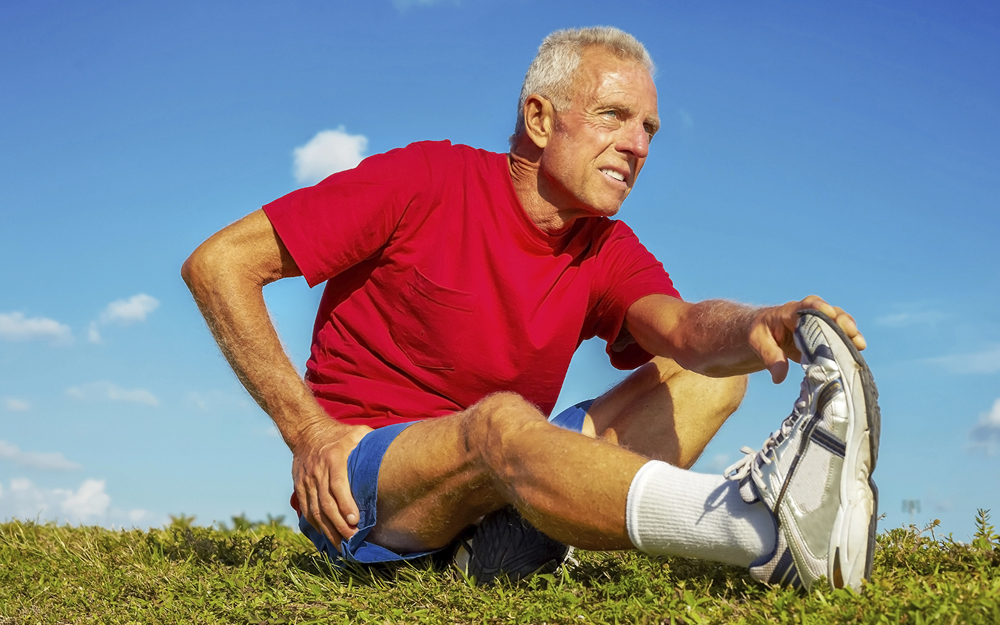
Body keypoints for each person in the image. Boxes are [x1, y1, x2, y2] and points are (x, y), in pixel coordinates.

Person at [182, 26, 879, 591]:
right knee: (500, 422)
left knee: (719, 370)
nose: (636, 145)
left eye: (649, 130)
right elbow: (218, 264)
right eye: (614, 116)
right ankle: (752, 529)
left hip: (493, 481)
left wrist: (763, 324)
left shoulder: (604, 246)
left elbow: (686, 330)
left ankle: (496, 550)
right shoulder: (424, 180)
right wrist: (306, 431)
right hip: (365, 483)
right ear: (540, 118)